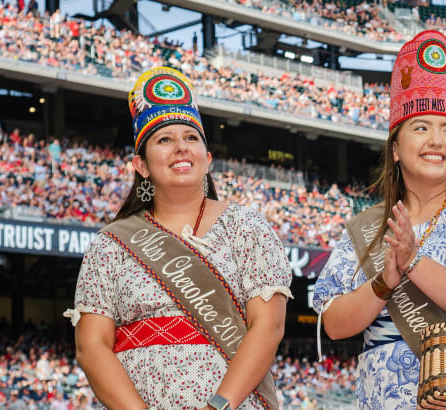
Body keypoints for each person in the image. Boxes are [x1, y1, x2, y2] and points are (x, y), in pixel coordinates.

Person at [312, 30, 446, 409]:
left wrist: (413, 263)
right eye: (421, 128)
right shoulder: (369, 227)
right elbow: (335, 325)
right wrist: (384, 283)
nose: (436, 141)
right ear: (395, 148)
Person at [65, 67, 292, 409]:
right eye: (165, 140)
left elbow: (269, 326)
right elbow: (91, 345)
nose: (181, 149)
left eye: (191, 138)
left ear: (207, 158)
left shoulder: (246, 226)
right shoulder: (111, 243)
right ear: (140, 165)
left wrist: (218, 405)